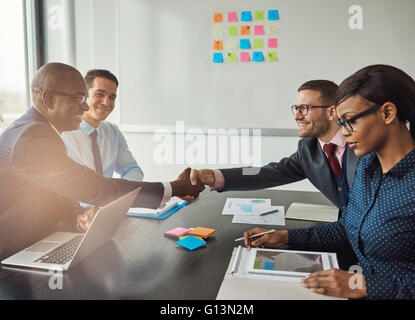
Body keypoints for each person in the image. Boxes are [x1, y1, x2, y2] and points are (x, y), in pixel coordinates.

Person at [243, 64, 415, 299]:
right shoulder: (367, 167)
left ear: (387, 113)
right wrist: (285, 237)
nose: (343, 132)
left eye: (349, 121)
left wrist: (362, 285)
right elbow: (348, 227)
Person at [0, 62, 204, 260]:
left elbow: (55, 194)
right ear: (49, 99)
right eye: (79, 97)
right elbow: (96, 188)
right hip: (13, 254)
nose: (85, 106)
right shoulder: (32, 137)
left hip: (39, 245)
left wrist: (80, 217)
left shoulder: (40, 131)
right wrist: (174, 188)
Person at [190, 80, 359, 212]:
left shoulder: (363, 146)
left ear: (331, 112)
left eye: (305, 108)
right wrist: (215, 175)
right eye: (295, 109)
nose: (297, 116)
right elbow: (266, 173)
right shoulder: (308, 149)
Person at [62, 69, 144, 185]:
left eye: (112, 97)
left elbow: (133, 170)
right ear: (83, 95)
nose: (106, 102)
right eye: (100, 94)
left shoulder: (113, 132)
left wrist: (117, 192)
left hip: (110, 201)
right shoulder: (64, 134)